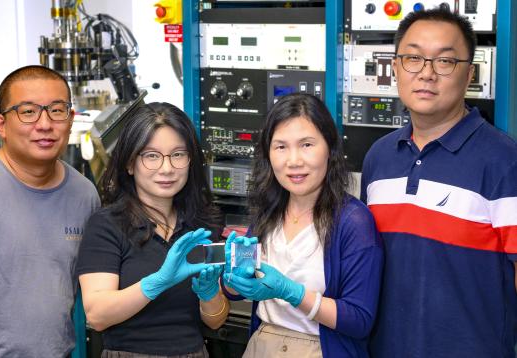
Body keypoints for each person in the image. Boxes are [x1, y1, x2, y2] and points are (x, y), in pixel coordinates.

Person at [360, 8, 517, 358]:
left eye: (444, 62)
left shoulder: (505, 162)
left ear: (469, 74)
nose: (426, 74)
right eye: (413, 58)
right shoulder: (379, 158)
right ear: (396, 67)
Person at [223, 93, 383, 358]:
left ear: (330, 149)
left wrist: (292, 292)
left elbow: (359, 320)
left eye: (307, 144)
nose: (294, 160)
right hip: (262, 344)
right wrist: (229, 279)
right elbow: (239, 289)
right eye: (281, 147)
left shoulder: (353, 221)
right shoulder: (268, 212)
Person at [0, 65, 100, 357]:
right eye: (28, 111)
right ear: (1, 124)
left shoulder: (84, 194)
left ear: (71, 119)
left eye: (57, 110)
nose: (45, 124)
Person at [76, 102, 229, 357]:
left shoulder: (203, 224)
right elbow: (98, 315)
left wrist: (210, 293)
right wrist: (158, 282)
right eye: (151, 156)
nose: (167, 168)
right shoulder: (107, 225)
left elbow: (215, 321)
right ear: (129, 164)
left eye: (178, 154)